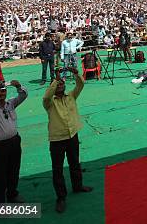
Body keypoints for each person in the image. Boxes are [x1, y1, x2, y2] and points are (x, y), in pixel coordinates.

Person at [43, 67, 93, 213]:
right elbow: (46, 97)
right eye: (58, 85)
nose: (61, 85)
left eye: (62, 84)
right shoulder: (50, 103)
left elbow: (80, 85)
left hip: (72, 135)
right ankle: (61, 197)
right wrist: (55, 80)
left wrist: (76, 73)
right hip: (57, 139)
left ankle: (77, 186)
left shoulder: (71, 96)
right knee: (58, 169)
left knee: (74, 163)